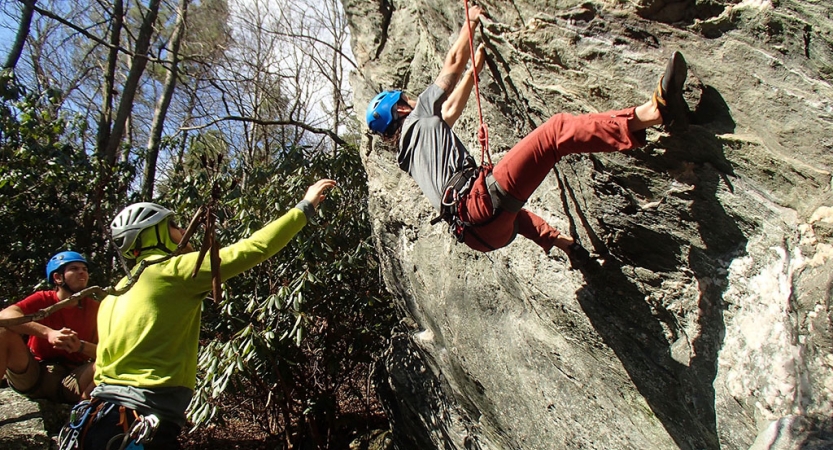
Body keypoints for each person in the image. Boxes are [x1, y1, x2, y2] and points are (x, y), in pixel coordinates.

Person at [366, 5, 688, 268]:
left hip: (478, 235)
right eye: (406, 100)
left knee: (516, 216)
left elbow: (449, 110)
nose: (412, 100)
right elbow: (451, 66)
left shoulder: (410, 155)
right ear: (402, 110)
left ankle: (563, 246)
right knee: (556, 133)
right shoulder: (420, 113)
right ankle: (654, 113)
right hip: (478, 203)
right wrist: (471, 22)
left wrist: (475, 69)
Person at [71, 179, 335, 450]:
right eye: (172, 226)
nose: (183, 231)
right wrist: (305, 207)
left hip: (101, 418)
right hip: (141, 419)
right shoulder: (172, 272)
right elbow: (254, 248)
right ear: (154, 235)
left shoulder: (113, 295)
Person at [0, 251, 98, 403]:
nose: (82, 272)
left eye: (84, 269)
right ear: (58, 278)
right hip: (34, 374)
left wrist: (80, 346)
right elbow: (5, 316)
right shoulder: (43, 299)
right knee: (2, 330)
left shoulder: (95, 309)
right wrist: (49, 333)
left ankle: (82, 413)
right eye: (74, 268)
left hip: (71, 380)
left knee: (108, 365)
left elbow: (108, 352)